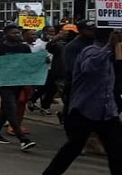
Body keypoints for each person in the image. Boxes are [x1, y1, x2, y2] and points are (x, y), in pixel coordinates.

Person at [43, 30, 122, 174]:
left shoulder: (114, 53)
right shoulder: (91, 51)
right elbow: (89, 67)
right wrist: (110, 46)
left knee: (117, 151)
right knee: (72, 148)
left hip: (108, 112)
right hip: (84, 110)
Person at [0, 24, 36, 151]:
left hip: (18, 82)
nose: (17, 35)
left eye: (18, 33)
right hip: (3, 83)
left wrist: (42, 61)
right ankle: (23, 140)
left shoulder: (24, 48)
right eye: (14, 33)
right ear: (6, 34)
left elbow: (29, 63)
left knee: (7, 108)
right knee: (11, 107)